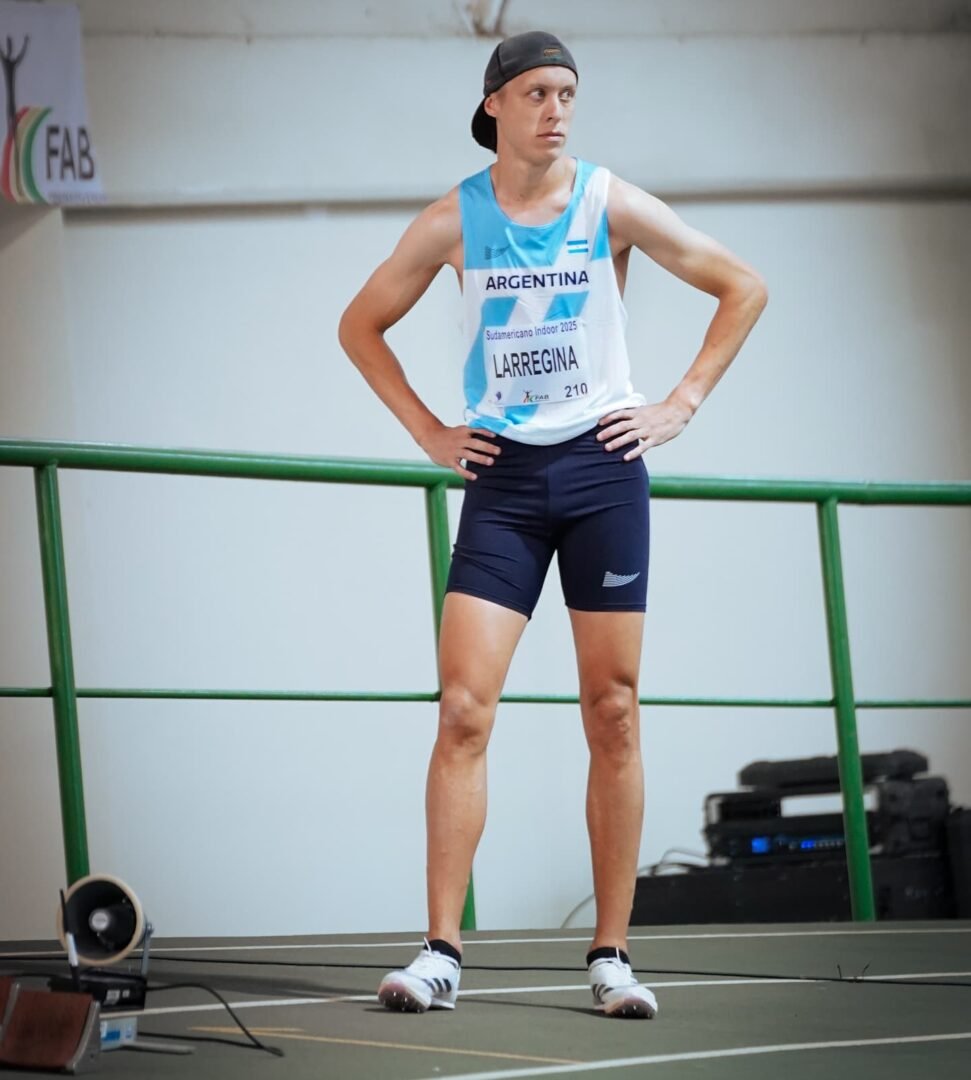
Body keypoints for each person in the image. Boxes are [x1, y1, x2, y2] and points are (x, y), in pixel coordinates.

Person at [339, 30, 767, 1019]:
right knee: (462, 709)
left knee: (611, 709)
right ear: (493, 105)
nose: (556, 109)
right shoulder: (455, 218)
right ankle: (440, 950)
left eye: (567, 92)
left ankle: (610, 954)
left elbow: (741, 285)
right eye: (535, 92)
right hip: (503, 478)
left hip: (602, 471)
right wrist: (428, 432)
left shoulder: (607, 201)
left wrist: (679, 402)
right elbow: (358, 324)